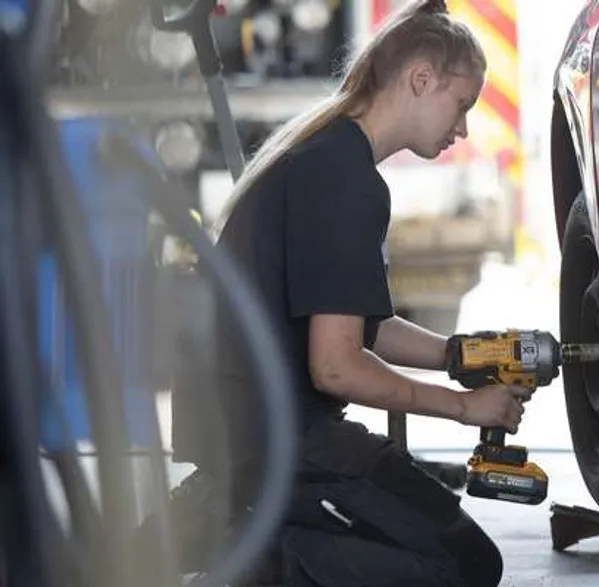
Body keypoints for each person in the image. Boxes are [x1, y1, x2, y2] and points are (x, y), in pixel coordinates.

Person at [197, 1, 528, 585]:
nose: (464, 128)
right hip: (284, 443)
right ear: (421, 79)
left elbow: (362, 325)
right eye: (462, 105)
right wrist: (462, 408)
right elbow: (337, 368)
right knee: (461, 564)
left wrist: (460, 356)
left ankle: (251, 533)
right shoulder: (346, 180)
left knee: (461, 552)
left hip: (256, 430)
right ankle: (257, 565)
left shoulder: (331, 156)